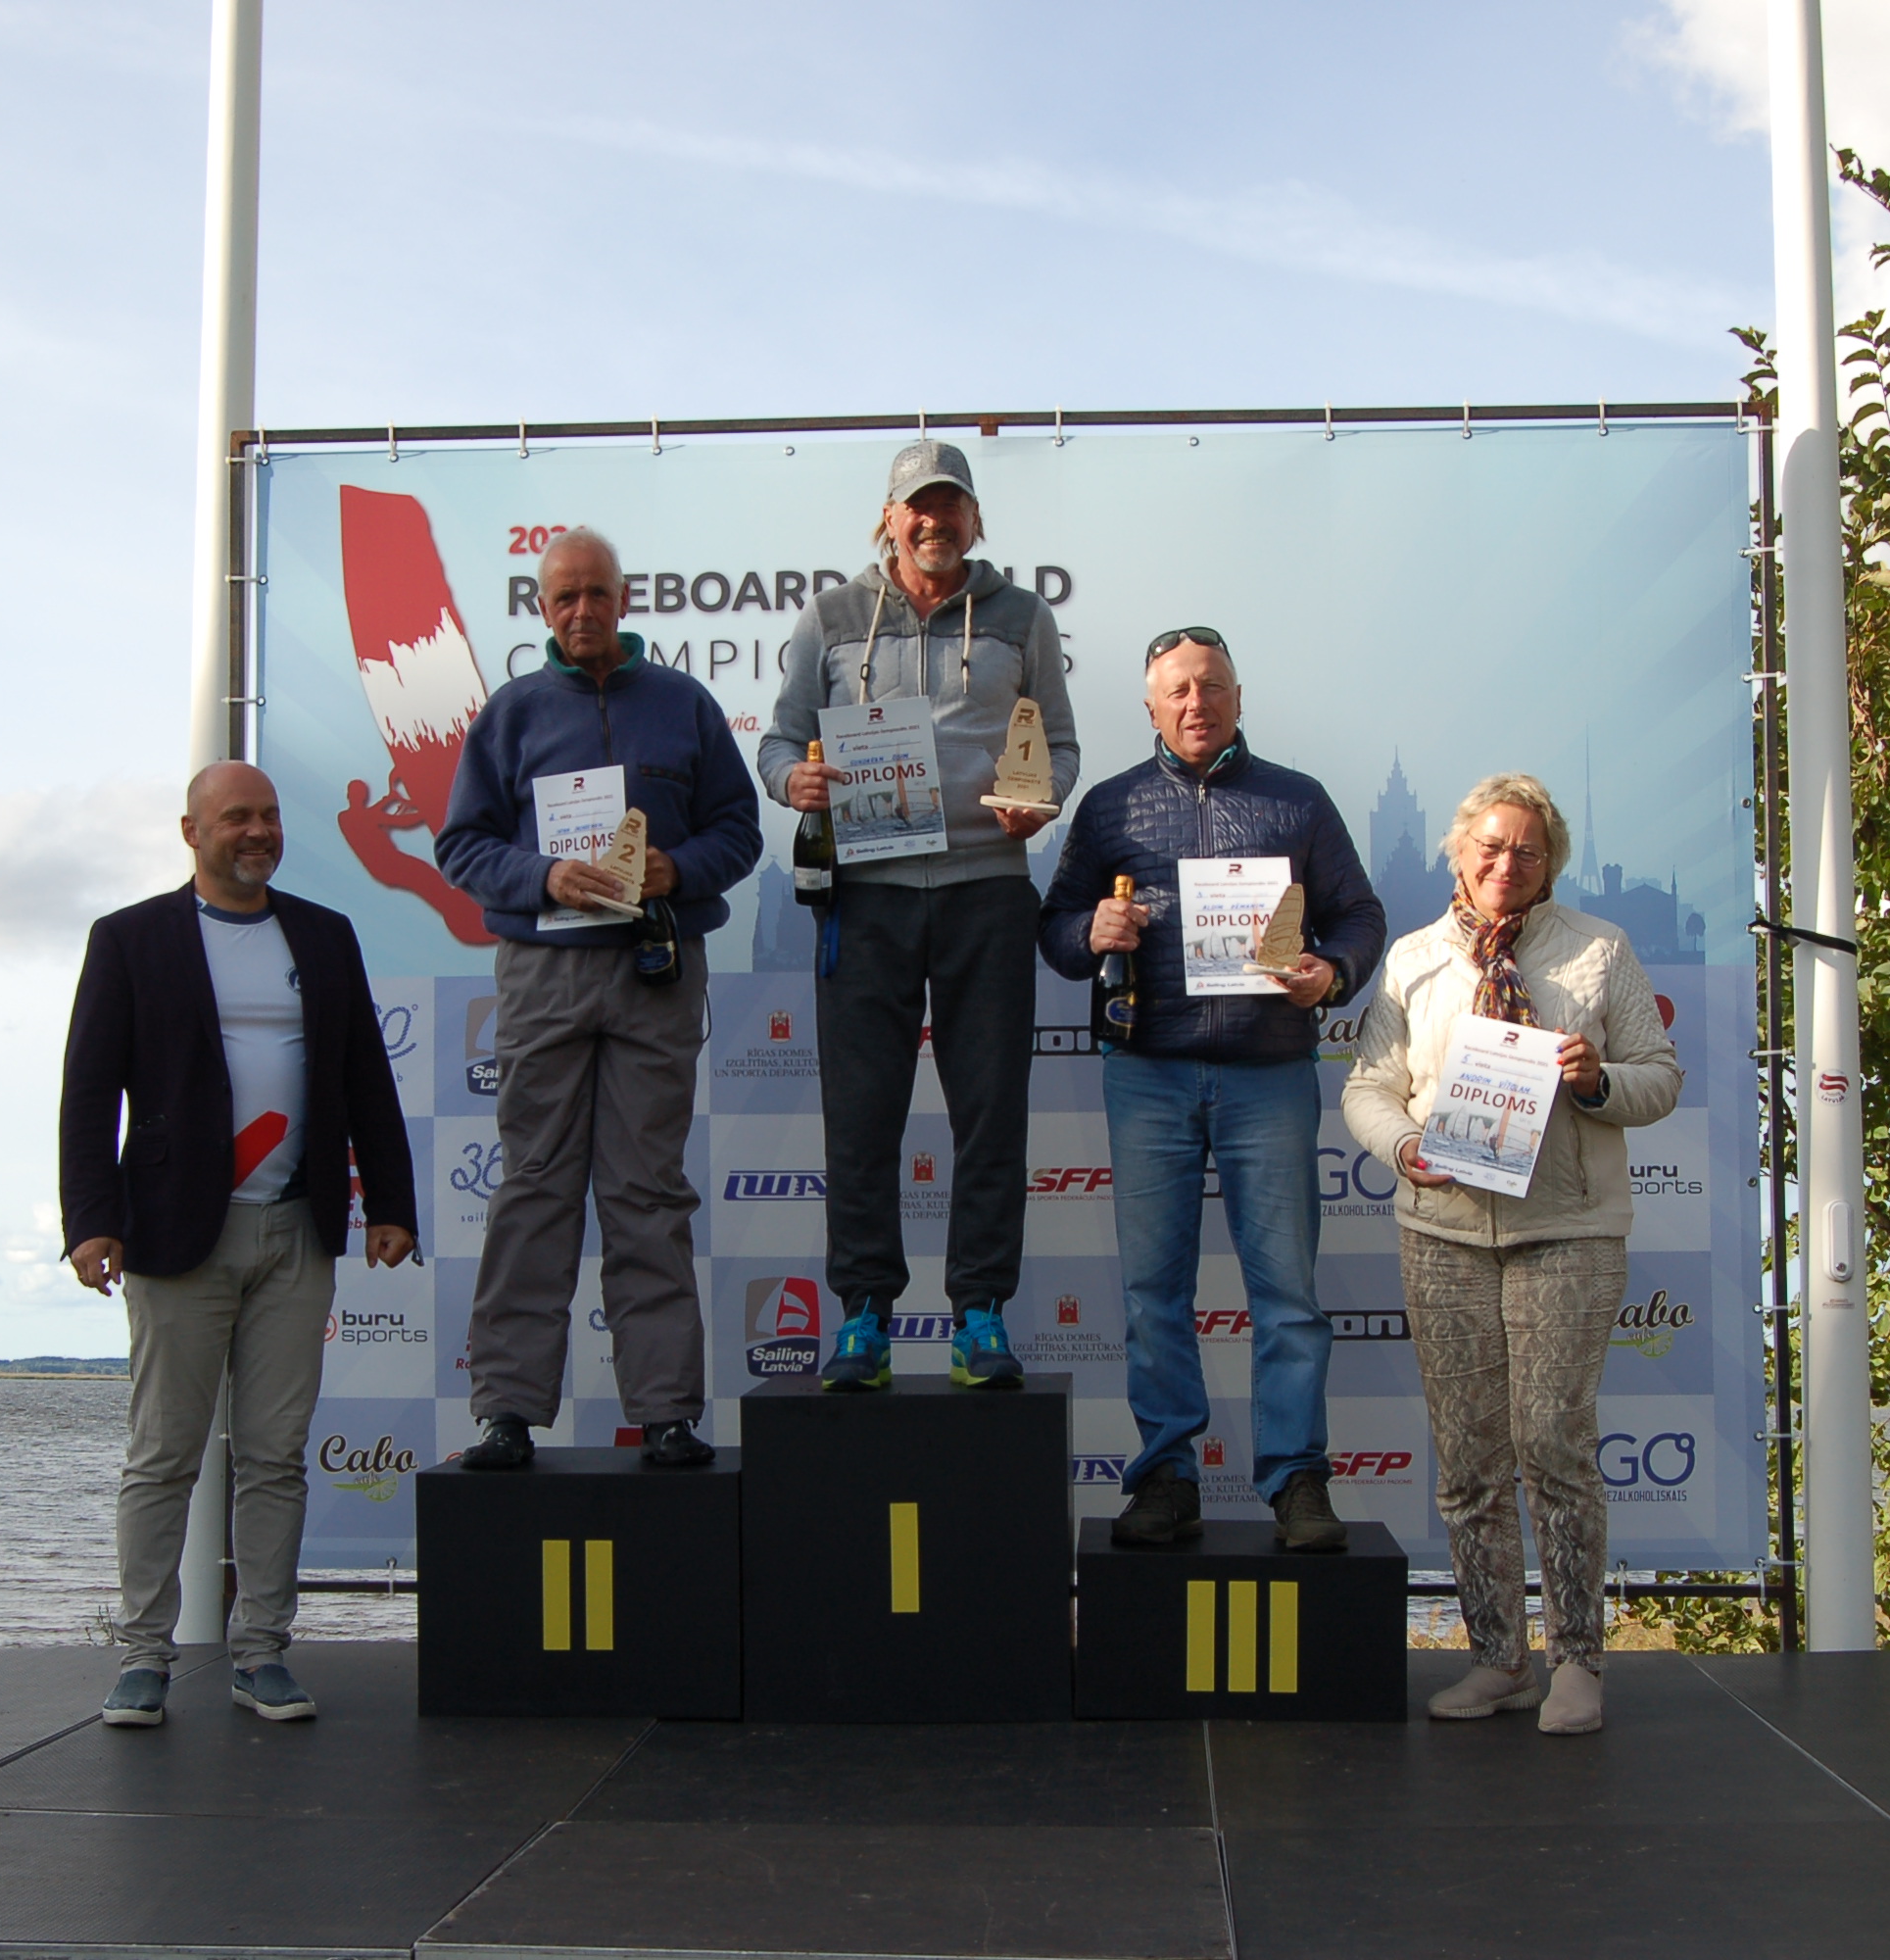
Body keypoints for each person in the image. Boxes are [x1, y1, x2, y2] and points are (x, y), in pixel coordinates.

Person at [60, 760, 420, 1730]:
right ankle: (144, 1656)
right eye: (234, 818)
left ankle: (262, 1652)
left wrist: (392, 1202)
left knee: (274, 1456)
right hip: (174, 1233)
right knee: (163, 1455)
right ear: (192, 831)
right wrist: (90, 1219)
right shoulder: (129, 938)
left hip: (295, 1229)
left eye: (267, 815)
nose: (256, 831)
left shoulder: (325, 935)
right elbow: (89, 1091)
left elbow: (365, 1077)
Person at [1339, 772, 1682, 1736]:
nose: (1505, 863)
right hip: (1442, 1230)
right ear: (1457, 852)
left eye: (1526, 850)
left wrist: (1597, 1079)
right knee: (1468, 1459)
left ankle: (1576, 1660)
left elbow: (1658, 1078)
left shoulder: (1599, 949)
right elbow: (1367, 1088)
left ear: (1550, 862)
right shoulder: (1412, 959)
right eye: (1488, 846)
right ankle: (1498, 1658)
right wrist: (1405, 1146)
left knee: (1553, 1441)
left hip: (1566, 1228)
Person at [1041, 627, 1385, 1550]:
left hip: (1269, 1072)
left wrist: (1332, 973)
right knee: (1153, 1291)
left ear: (1239, 698)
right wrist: (1090, 932)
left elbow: (1360, 914)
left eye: (1214, 686)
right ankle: (1166, 1476)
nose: (1197, 703)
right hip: (1147, 1071)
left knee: (1288, 1296)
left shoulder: (1297, 799)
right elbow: (1056, 927)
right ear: (1151, 707)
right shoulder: (1110, 806)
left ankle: (1297, 1480)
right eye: (1179, 690)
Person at [434, 527, 764, 1470]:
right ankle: (506, 1410)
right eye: (564, 597)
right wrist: (543, 875)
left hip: (656, 968)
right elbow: (461, 845)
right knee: (534, 1183)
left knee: (647, 1190)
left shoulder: (684, 704)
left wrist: (677, 867)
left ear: (625, 601)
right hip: (545, 971)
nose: (582, 610)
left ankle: (665, 1412)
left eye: (597, 594)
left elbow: (739, 830)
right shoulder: (511, 713)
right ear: (543, 611)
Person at [761, 440, 1078, 1391]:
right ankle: (864, 1313)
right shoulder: (830, 616)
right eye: (918, 506)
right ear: (890, 518)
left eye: (951, 505)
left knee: (991, 1113)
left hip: (988, 888)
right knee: (861, 1118)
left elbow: (1059, 744)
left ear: (975, 519)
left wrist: (1042, 796)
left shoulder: (1022, 616)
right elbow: (779, 740)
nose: (934, 521)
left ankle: (979, 1311)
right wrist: (792, 780)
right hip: (866, 894)